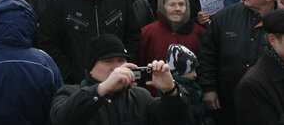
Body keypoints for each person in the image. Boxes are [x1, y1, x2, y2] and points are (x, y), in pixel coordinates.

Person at [39, 0, 140, 83]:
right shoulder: (61, 3)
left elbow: (132, 35)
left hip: (117, 77)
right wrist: (69, 73)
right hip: (77, 82)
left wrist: (123, 63)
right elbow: (48, 42)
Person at [198, 0, 283, 123]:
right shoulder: (226, 16)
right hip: (227, 104)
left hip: (268, 106)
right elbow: (207, 54)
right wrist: (208, 88)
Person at [50, 34, 189, 125]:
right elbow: (61, 119)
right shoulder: (69, 93)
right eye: (108, 61)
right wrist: (102, 89)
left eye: (121, 61)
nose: (116, 67)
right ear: (91, 68)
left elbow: (176, 120)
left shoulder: (141, 96)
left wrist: (171, 92)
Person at [139, 0, 205, 65]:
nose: (177, 9)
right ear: (163, 7)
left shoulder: (200, 33)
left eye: (181, 4)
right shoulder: (147, 33)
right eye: (172, 5)